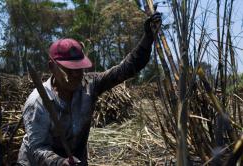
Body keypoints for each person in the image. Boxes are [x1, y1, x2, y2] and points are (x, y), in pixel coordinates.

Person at [17, 13, 161, 166]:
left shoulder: (89, 85)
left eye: (79, 68)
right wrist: (60, 162)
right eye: (69, 69)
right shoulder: (38, 102)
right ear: (52, 67)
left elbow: (125, 69)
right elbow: (37, 148)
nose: (76, 75)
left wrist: (147, 39)